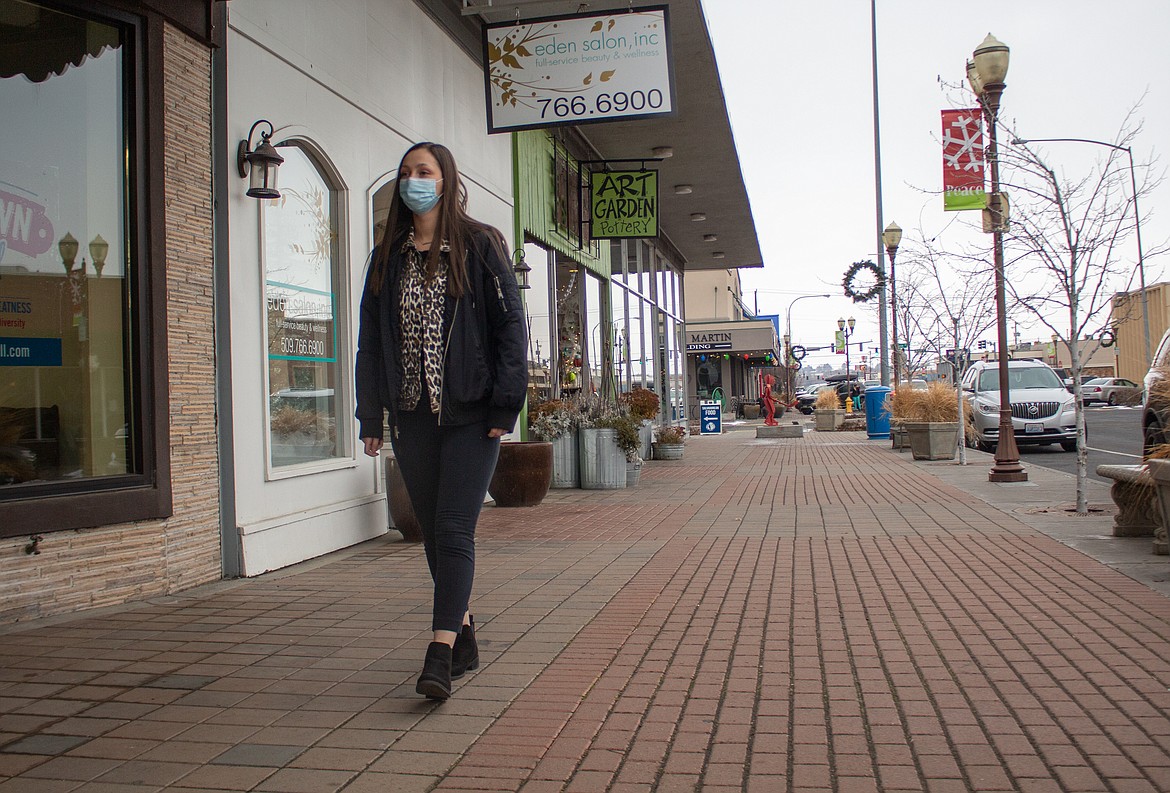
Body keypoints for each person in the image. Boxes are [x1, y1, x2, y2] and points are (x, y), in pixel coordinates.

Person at [355, 142, 527, 700]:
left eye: (423, 172)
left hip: (472, 415)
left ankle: (439, 651)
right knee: (432, 531)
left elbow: (510, 329)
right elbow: (369, 345)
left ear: (446, 180)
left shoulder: (479, 246)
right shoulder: (387, 256)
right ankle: (466, 634)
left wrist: (505, 405)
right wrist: (369, 413)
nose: (413, 181)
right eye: (405, 173)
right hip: (411, 416)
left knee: (454, 529)